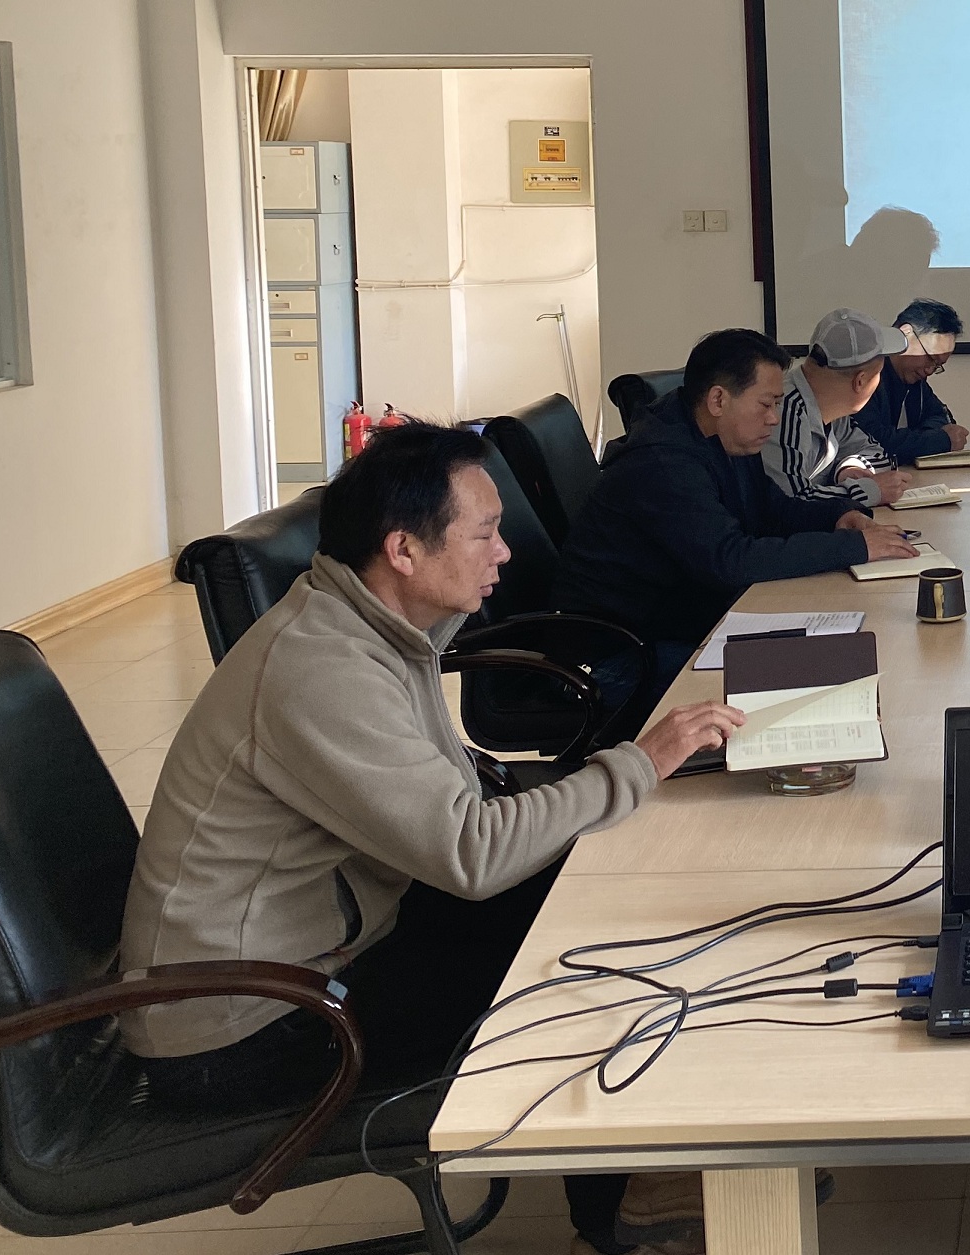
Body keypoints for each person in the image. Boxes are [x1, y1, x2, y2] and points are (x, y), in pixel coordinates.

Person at [121, 423, 746, 1255]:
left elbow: (454, 819)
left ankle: (630, 1167)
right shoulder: (321, 668)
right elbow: (471, 852)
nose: (505, 552)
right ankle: (618, 1211)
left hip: (307, 959)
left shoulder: (372, 626)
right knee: (572, 952)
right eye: (484, 533)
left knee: (577, 891)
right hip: (245, 1025)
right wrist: (640, 761)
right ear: (404, 550)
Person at [555, 328, 914, 720]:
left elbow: (771, 510)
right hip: (618, 655)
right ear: (718, 399)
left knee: (827, 661)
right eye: (766, 404)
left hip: (676, 624)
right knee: (801, 680)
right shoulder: (664, 463)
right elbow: (731, 561)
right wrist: (855, 548)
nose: (774, 418)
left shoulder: (721, 435)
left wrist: (839, 516)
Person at [764, 308, 917, 511]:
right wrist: (870, 490)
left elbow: (876, 453)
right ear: (860, 381)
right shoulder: (782, 412)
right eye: (879, 373)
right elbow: (792, 502)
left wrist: (849, 467)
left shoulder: (832, 407)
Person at [854, 297, 970, 464]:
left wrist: (922, 439)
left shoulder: (915, 381)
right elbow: (870, 440)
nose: (929, 370)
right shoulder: (865, 373)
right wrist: (936, 441)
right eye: (930, 358)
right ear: (905, 333)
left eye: (937, 365)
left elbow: (943, 418)